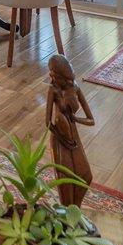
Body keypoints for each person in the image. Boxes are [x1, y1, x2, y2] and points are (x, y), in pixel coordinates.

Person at [45, 54, 96, 207]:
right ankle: (67, 211)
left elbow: (91, 120)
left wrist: (76, 119)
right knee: (65, 178)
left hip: (74, 136)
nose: (51, 77)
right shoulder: (53, 90)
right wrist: (63, 139)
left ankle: (76, 208)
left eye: (54, 75)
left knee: (85, 176)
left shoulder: (75, 89)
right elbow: (48, 122)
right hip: (60, 137)